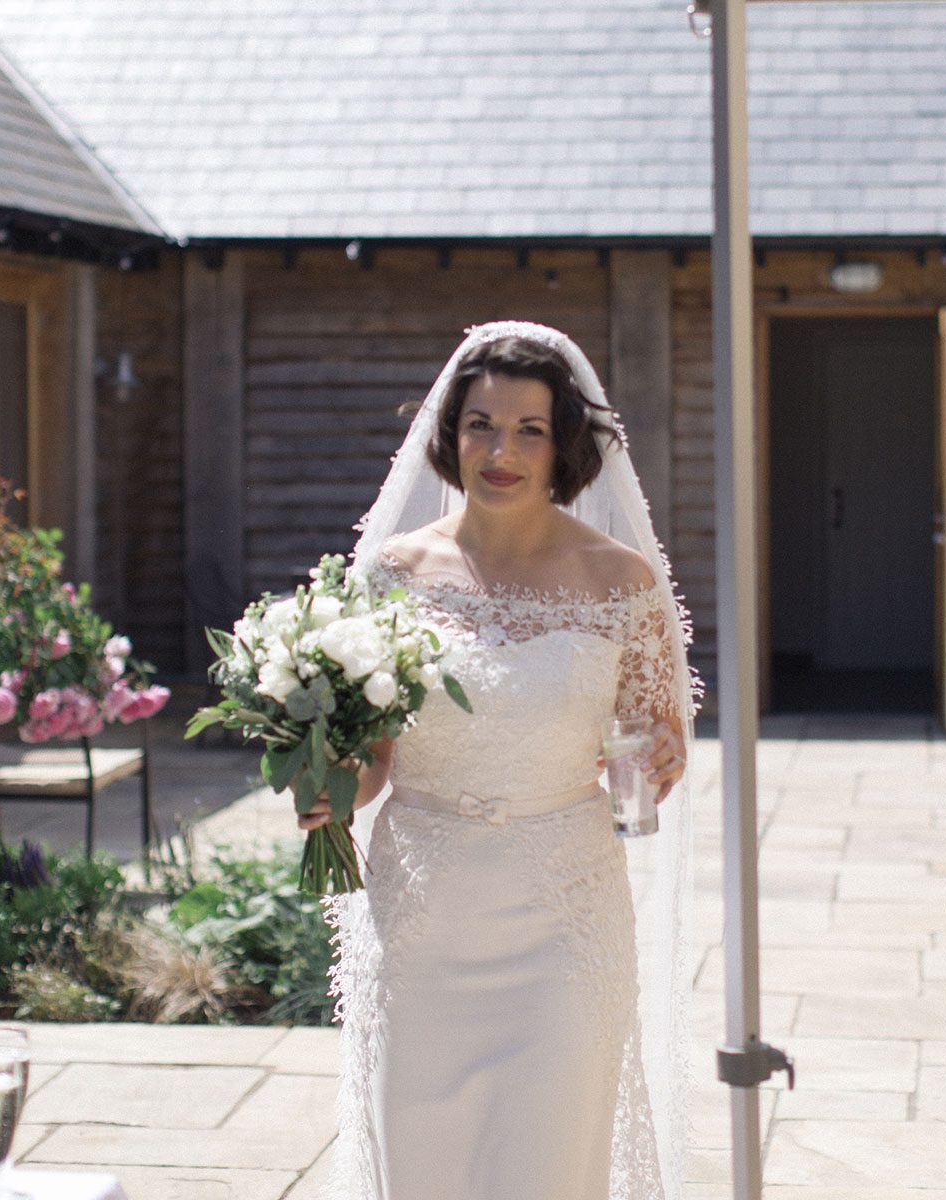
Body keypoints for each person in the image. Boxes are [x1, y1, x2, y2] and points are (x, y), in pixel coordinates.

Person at [301, 322, 699, 1200]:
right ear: (450, 436)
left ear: (565, 448)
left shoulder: (620, 582)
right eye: (481, 424)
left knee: (547, 1161)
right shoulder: (393, 574)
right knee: (426, 1164)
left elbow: (643, 770)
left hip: (562, 915)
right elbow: (369, 763)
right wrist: (322, 786)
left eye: (529, 429)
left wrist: (657, 762)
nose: (500, 450)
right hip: (423, 920)